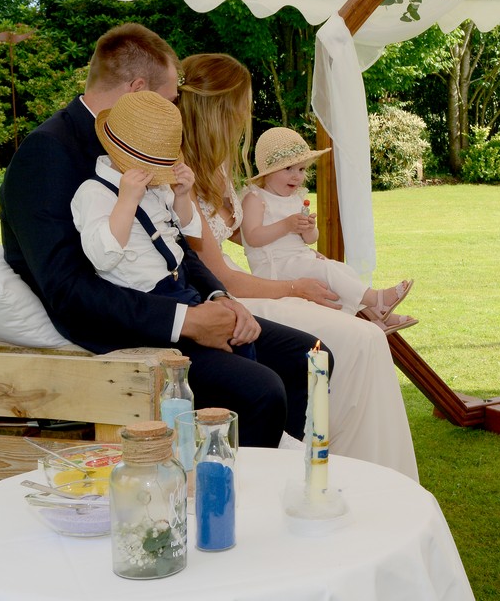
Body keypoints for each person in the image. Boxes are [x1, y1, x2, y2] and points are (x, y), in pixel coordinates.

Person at [0, 23, 323, 448]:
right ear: (137, 91)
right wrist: (186, 322)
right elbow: (68, 289)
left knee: (310, 357)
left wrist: (221, 299)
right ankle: (226, 496)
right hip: (122, 327)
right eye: (170, 98)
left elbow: (170, 239)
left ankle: (280, 479)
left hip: (178, 301)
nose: (176, 109)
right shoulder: (48, 153)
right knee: (261, 390)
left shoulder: (139, 142)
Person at [176, 52, 418, 480]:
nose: (246, 116)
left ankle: (370, 475)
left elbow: (241, 233)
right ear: (219, 111)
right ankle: (344, 469)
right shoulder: (181, 180)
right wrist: (297, 287)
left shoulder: (217, 168)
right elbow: (225, 276)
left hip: (261, 284)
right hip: (235, 296)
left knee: (366, 340)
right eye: (242, 107)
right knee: (360, 341)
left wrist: (298, 242)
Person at [241, 126, 417, 335]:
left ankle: (375, 318)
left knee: (342, 271)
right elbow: (252, 237)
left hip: (298, 260)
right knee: (327, 272)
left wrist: (308, 230)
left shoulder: (295, 199)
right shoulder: (256, 199)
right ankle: (376, 300)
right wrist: (287, 225)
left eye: (301, 169)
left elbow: (310, 240)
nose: (296, 177)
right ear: (267, 172)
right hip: (274, 269)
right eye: (288, 169)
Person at [70, 91, 204, 305]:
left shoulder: (156, 187)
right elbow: (102, 257)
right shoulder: (94, 193)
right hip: (146, 297)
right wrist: (126, 202)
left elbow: (188, 228)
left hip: (180, 280)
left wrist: (182, 196)